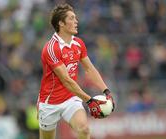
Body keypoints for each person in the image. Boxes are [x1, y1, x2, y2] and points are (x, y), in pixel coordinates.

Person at [37, 3, 115, 139]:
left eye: (75, 18)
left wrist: (106, 91)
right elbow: (66, 80)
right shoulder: (51, 48)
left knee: (84, 130)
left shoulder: (78, 43)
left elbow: (90, 69)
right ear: (61, 23)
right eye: (72, 18)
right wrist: (89, 100)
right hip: (50, 103)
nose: (76, 21)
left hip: (71, 98)